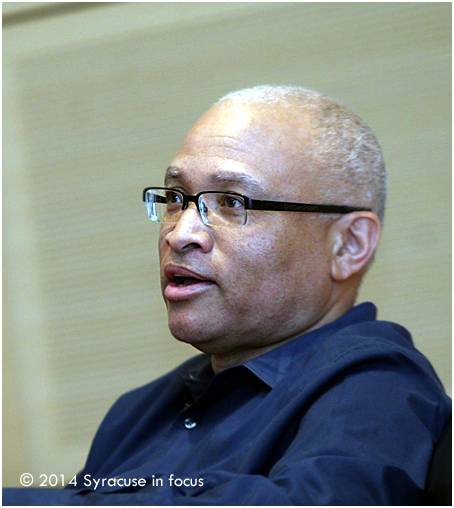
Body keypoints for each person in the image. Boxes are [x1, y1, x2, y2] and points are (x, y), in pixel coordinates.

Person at [4, 85, 451, 505]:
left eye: (233, 203)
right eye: (177, 198)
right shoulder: (138, 411)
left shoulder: (374, 386)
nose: (181, 233)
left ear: (348, 245)